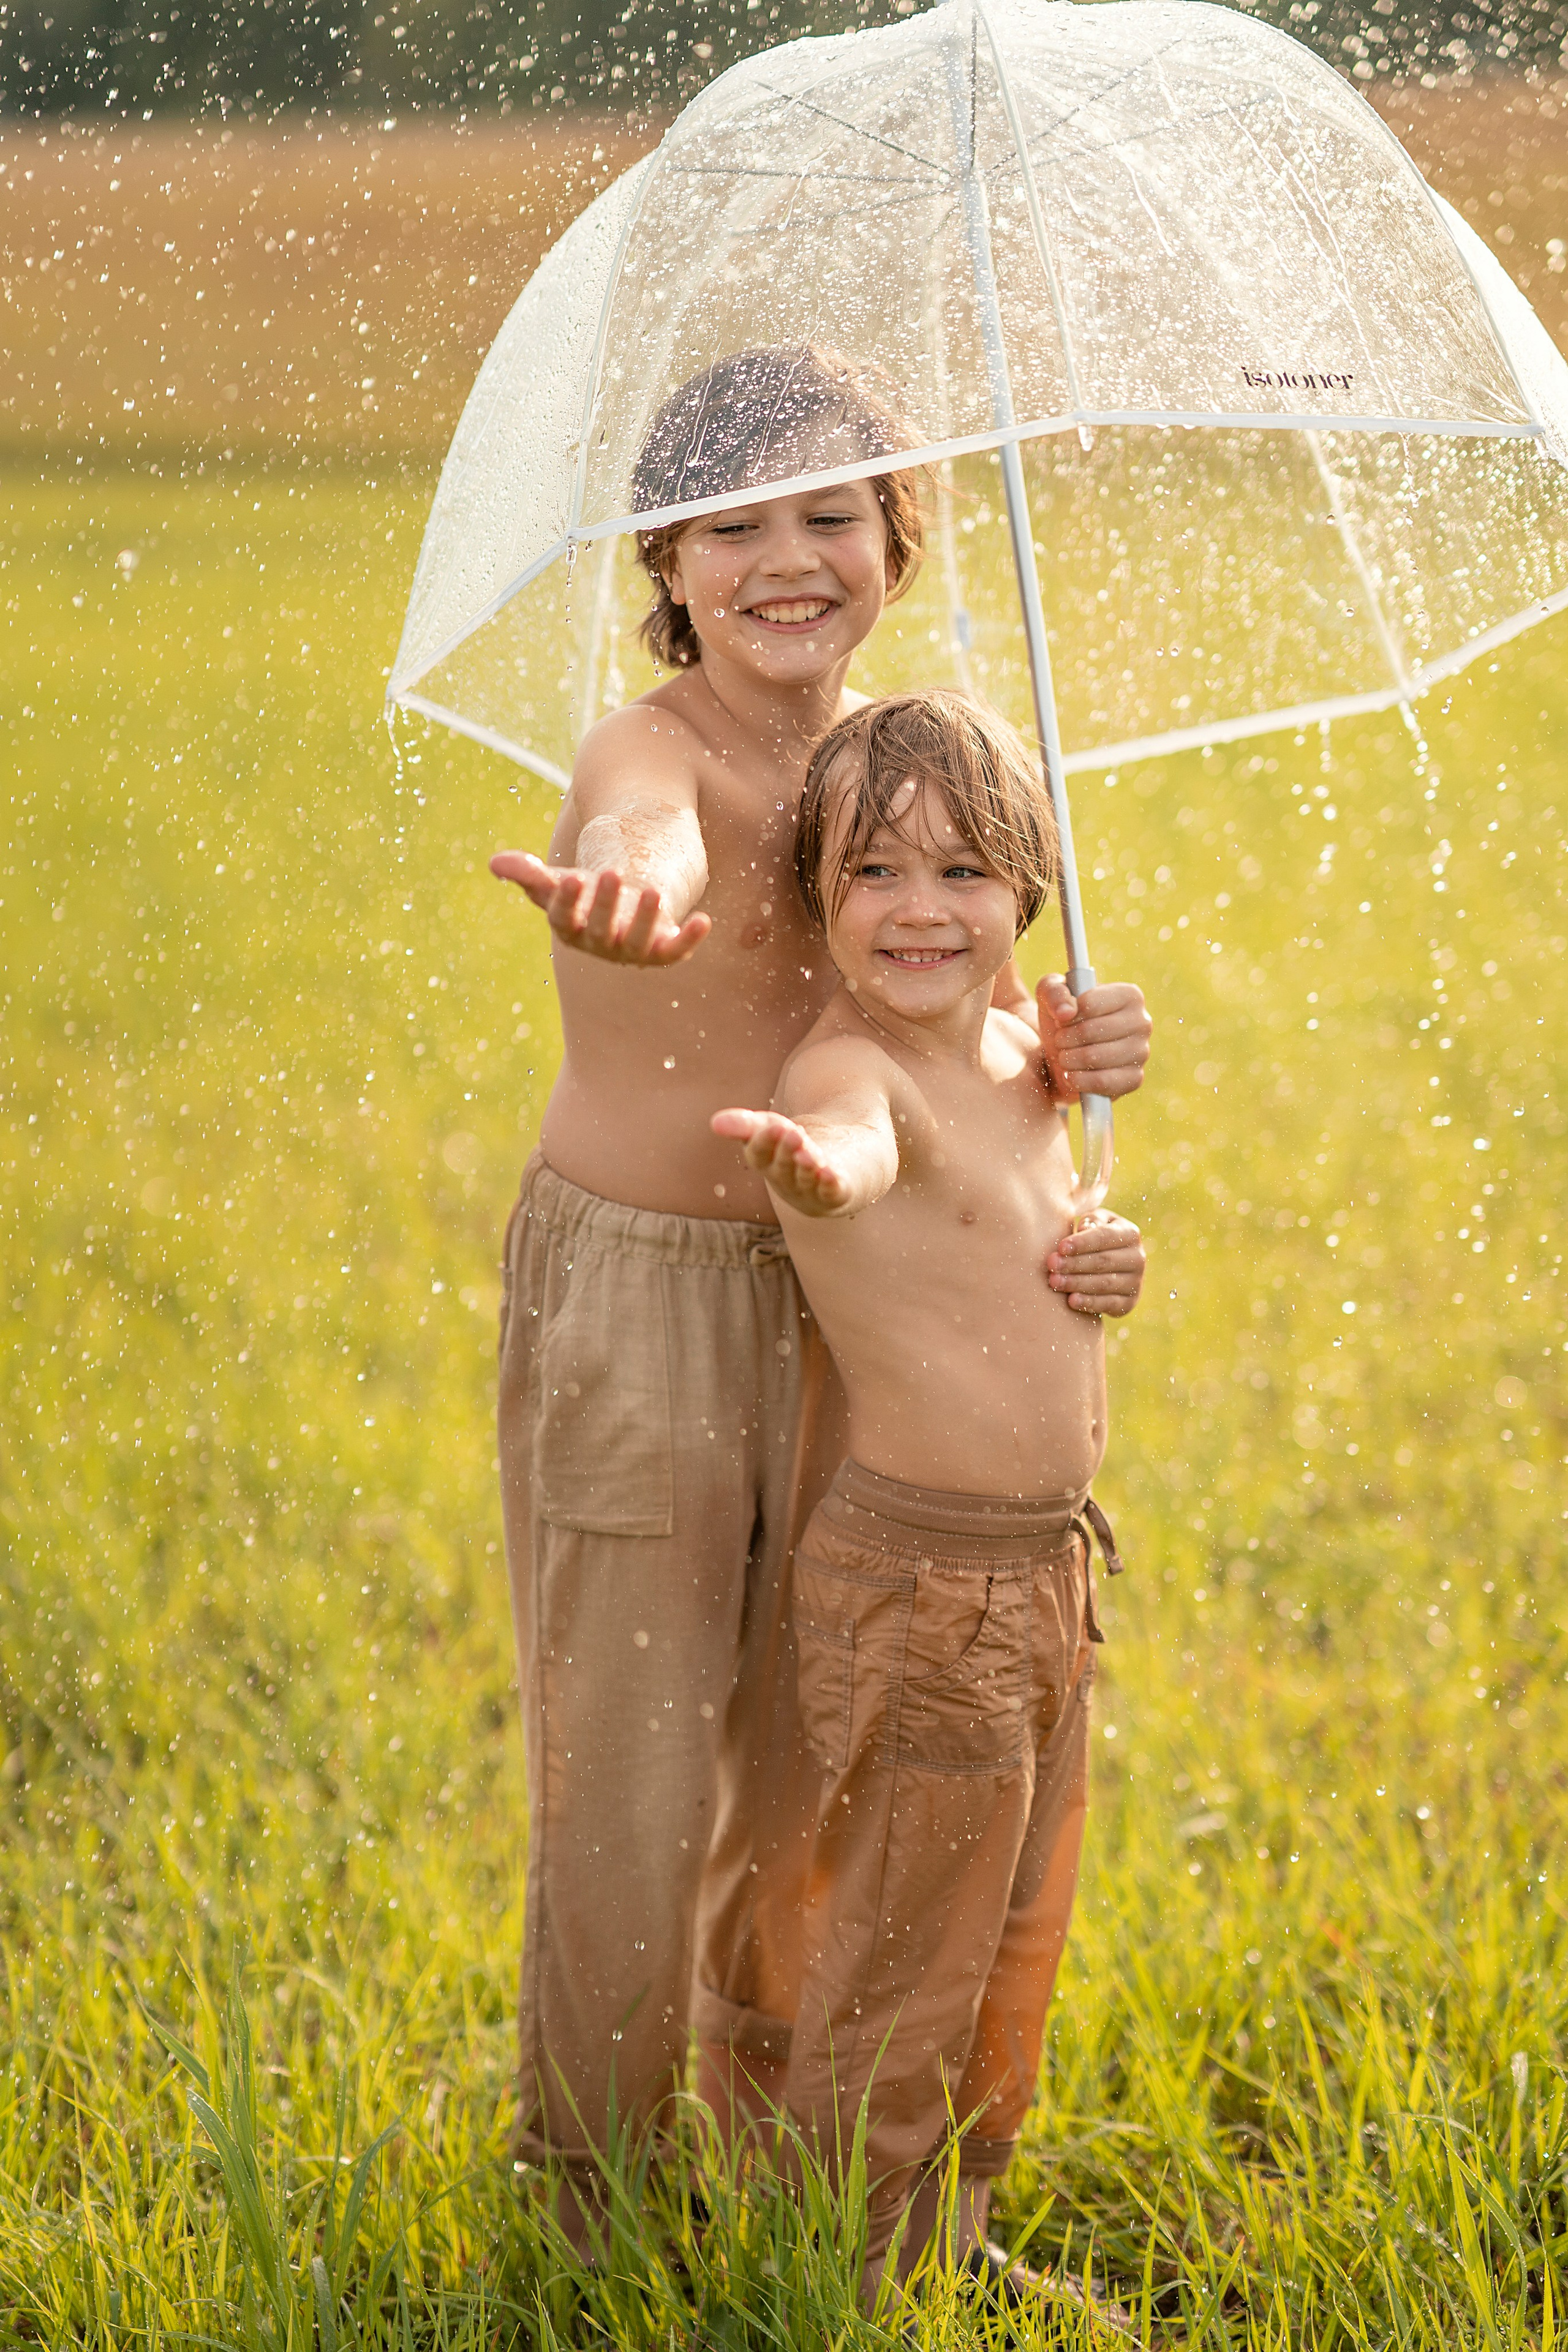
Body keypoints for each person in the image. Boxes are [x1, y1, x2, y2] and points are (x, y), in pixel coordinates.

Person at [488, 346, 1153, 2234]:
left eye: (831, 515)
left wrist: (1075, 1029)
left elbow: (962, 977)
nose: (788, 559)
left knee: (814, 1746)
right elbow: (640, 835)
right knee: (630, 1745)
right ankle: (587, 2192)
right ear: (668, 559)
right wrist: (620, 887)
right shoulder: (657, 753)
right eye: (735, 524)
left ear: (899, 535)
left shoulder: (911, 761)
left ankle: (799, 2166)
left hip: (855, 1300)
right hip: (661, 1294)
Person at [710, 688, 1144, 2302]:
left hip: (1048, 1580)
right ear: (819, 895)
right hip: (925, 1591)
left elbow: (1034, 1262)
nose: (918, 909)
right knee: (909, 1948)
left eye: (962, 873)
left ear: (1028, 888)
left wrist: (1113, 1258)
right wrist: (818, 1169)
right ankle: (848, 2264)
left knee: (1015, 1936)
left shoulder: (1036, 1053)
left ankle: (954, 2227)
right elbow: (862, 1151)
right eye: (874, 872)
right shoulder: (851, 1072)